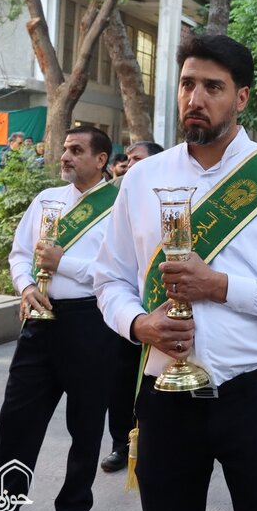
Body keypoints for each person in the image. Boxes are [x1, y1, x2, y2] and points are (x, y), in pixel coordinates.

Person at [93, 35, 257, 511]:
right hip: (164, 397)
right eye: (187, 84)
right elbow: (109, 278)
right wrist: (138, 323)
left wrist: (219, 286)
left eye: (212, 87)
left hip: (256, 396)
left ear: (241, 97)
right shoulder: (141, 179)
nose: (195, 99)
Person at [0, 126, 118, 511]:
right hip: (39, 324)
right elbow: (20, 252)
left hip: (91, 325)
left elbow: (120, 272)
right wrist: (26, 286)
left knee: (86, 425)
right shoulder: (47, 200)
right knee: (17, 420)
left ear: (100, 160)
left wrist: (65, 264)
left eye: (76, 150)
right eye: (64, 148)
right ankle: (2, 509)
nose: (65, 155)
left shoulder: (118, 207)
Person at [100, 139, 166, 474]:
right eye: (126, 159)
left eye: (137, 160)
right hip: (131, 315)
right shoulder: (119, 199)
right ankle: (120, 442)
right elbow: (109, 269)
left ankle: (145, 440)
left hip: (165, 315)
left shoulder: (163, 200)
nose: (128, 165)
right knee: (120, 382)